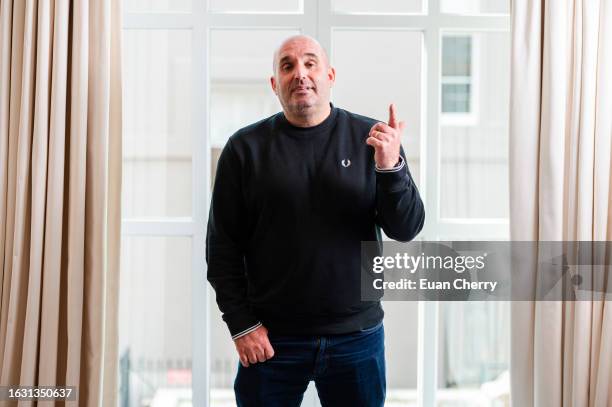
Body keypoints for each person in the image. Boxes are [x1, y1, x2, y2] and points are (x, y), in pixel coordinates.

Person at [206, 34, 425, 406]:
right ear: (275, 84)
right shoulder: (244, 149)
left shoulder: (373, 139)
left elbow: (406, 228)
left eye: (311, 63)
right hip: (271, 340)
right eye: (288, 66)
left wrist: (391, 169)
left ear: (330, 75)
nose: (300, 74)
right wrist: (242, 324)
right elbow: (222, 248)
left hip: (357, 337)